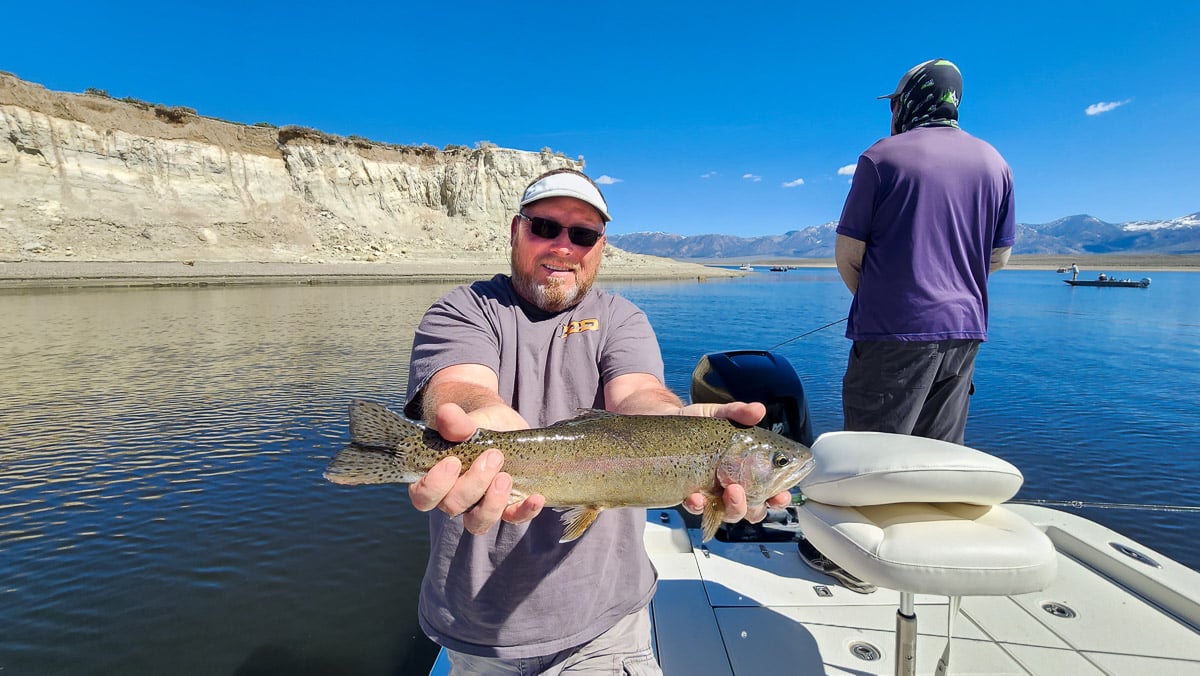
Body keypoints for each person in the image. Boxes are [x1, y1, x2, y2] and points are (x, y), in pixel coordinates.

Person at [402, 167, 791, 674]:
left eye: (582, 234)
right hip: (477, 630)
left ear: (600, 246)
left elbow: (639, 393)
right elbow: (460, 386)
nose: (564, 246)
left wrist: (674, 420)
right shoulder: (464, 310)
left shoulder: (621, 317)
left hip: (608, 625)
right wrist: (480, 418)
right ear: (516, 230)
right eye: (546, 227)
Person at [834, 59, 1015, 445]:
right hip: (964, 331)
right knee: (938, 454)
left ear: (913, 99)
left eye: (895, 103)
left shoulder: (881, 158)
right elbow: (999, 258)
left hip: (892, 335)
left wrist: (887, 299)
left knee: (872, 455)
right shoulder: (996, 163)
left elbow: (848, 255)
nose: (893, 113)